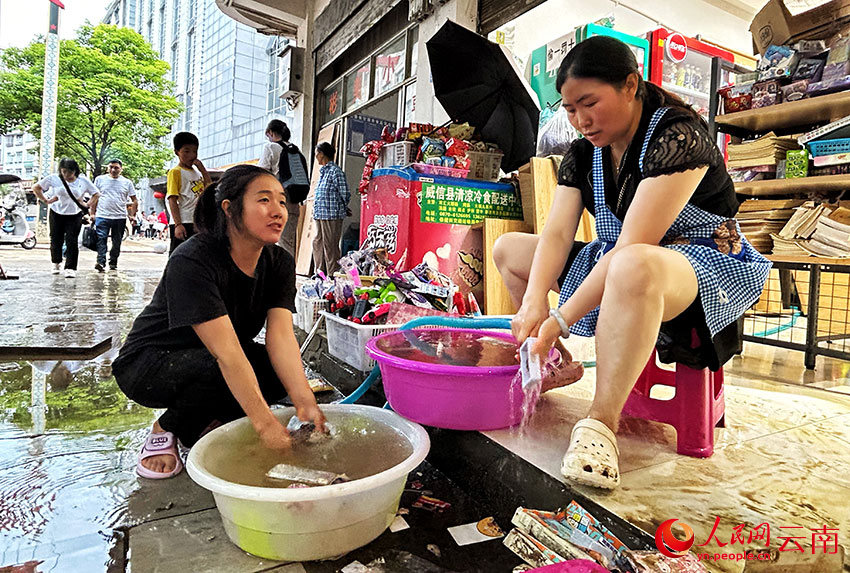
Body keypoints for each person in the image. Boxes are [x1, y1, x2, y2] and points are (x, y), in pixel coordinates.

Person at [494, 36, 771, 490]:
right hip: (622, 256)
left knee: (633, 266)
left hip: (702, 261)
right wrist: (531, 307)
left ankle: (601, 423)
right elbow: (559, 233)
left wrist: (560, 317)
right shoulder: (584, 152)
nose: (580, 120)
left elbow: (632, 247)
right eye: (568, 109)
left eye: (589, 103)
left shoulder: (678, 135)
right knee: (511, 251)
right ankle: (557, 365)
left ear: (629, 85)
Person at [112, 164, 326, 479]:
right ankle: (167, 427)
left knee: (275, 374)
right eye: (264, 200)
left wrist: (305, 401)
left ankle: (207, 415)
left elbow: (280, 337)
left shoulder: (279, 261)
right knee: (222, 368)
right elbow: (226, 354)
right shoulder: (193, 259)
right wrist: (265, 425)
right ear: (229, 208)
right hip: (150, 364)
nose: (278, 211)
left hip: (213, 358)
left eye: (281, 201)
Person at [32, 158, 97, 278]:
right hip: (57, 212)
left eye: (69, 172)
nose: (66, 175)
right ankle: (56, 262)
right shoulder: (54, 178)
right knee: (56, 239)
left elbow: (96, 193)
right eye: (63, 172)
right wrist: (45, 200)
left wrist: (87, 205)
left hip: (74, 214)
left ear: (75, 171)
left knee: (72, 241)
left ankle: (70, 268)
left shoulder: (83, 181)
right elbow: (36, 188)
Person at [257, 119, 309, 257]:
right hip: (293, 199)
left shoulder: (271, 147)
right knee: (288, 242)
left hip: (276, 198)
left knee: (269, 239)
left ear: (271, 133)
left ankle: (274, 275)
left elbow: (261, 173)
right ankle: (288, 274)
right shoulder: (296, 151)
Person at [166, 132, 211, 255]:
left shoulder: (198, 173)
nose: (191, 155)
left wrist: (203, 170)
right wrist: (178, 224)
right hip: (183, 221)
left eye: (194, 151)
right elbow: (172, 199)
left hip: (197, 221)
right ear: (177, 152)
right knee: (178, 254)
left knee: (196, 255)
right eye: (186, 151)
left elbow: (209, 188)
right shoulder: (175, 172)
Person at [91, 159, 138, 271]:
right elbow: (95, 197)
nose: (113, 170)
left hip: (119, 217)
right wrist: (92, 213)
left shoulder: (127, 183)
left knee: (117, 242)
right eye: (111, 167)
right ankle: (101, 262)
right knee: (101, 239)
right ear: (107, 168)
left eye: (116, 167)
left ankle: (113, 262)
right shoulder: (99, 180)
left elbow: (134, 200)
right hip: (102, 215)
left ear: (121, 169)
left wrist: (132, 215)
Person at [312, 142, 350, 275]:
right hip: (320, 213)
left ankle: (332, 274)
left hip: (331, 214)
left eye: (317, 153)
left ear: (322, 154)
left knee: (330, 246)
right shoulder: (323, 172)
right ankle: (320, 273)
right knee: (318, 243)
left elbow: (344, 193)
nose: (315, 156)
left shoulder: (335, 171)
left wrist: (343, 207)